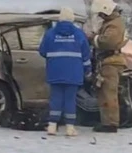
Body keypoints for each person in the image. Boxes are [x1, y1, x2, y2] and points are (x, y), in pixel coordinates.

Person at [39, 7, 92, 136]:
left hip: (55, 71)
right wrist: (88, 70)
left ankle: (52, 126)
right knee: (70, 99)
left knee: (55, 98)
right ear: (72, 18)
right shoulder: (79, 34)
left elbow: (42, 51)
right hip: (73, 73)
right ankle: (69, 128)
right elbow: (86, 55)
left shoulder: (50, 33)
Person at [88, 0, 127, 133]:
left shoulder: (114, 25)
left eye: (102, 13)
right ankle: (107, 121)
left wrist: (93, 38)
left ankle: (110, 123)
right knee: (105, 93)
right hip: (108, 61)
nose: (101, 16)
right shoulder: (113, 23)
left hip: (110, 63)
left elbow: (108, 41)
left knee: (108, 94)